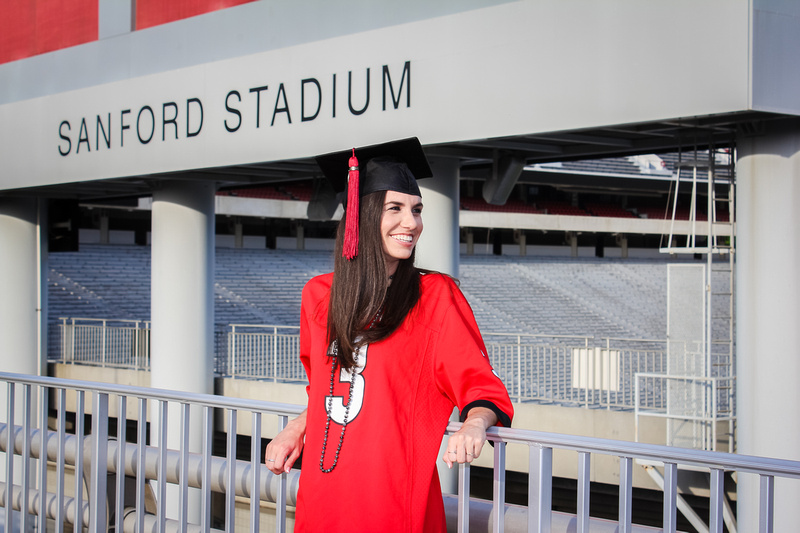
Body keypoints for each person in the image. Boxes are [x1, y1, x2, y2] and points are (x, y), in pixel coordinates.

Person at [265, 137, 514, 532]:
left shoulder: (433, 297)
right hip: (324, 489)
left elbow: (480, 386)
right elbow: (328, 390)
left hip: (392, 498)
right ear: (361, 216)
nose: (411, 223)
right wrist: (299, 426)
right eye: (394, 209)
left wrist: (475, 424)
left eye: (416, 210)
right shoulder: (319, 296)